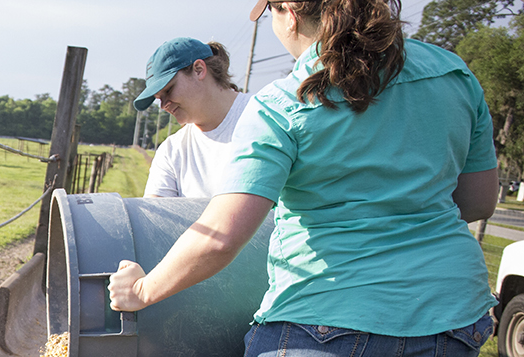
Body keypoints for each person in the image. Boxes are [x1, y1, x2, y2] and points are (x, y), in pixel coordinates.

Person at [108, 0, 499, 355]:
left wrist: (142, 290)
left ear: (290, 13)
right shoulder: (453, 73)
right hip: (451, 318)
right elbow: (479, 201)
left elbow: (222, 237)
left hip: (323, 321)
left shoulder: (281, 103)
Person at [135, 37, 252, 198]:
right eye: (159, 98)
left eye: (168, 90)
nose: (164, 105)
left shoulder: (265, 116)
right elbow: (157, 218)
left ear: (199, 69)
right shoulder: (171, 151)